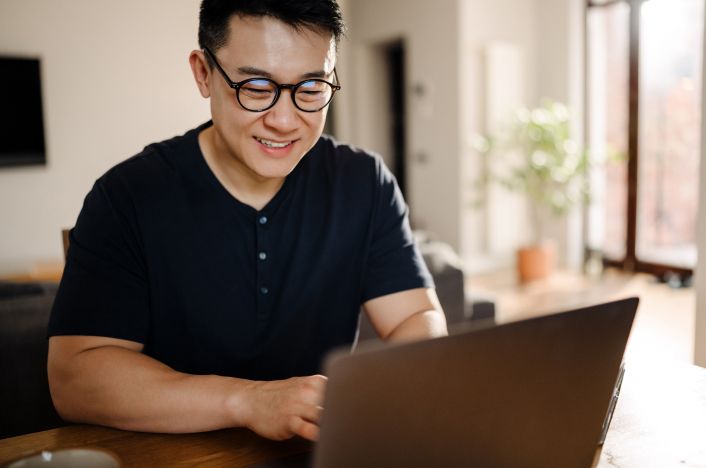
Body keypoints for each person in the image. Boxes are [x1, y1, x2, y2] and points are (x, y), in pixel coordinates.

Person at [47, 0, 447, 443]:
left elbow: (416, 314)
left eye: (311, 88)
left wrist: (405, 384)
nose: (283, 120)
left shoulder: (363, 182)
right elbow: (74, 379)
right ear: (203, 73)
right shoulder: (127, 196)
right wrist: (248, 401)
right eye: (256, 86)